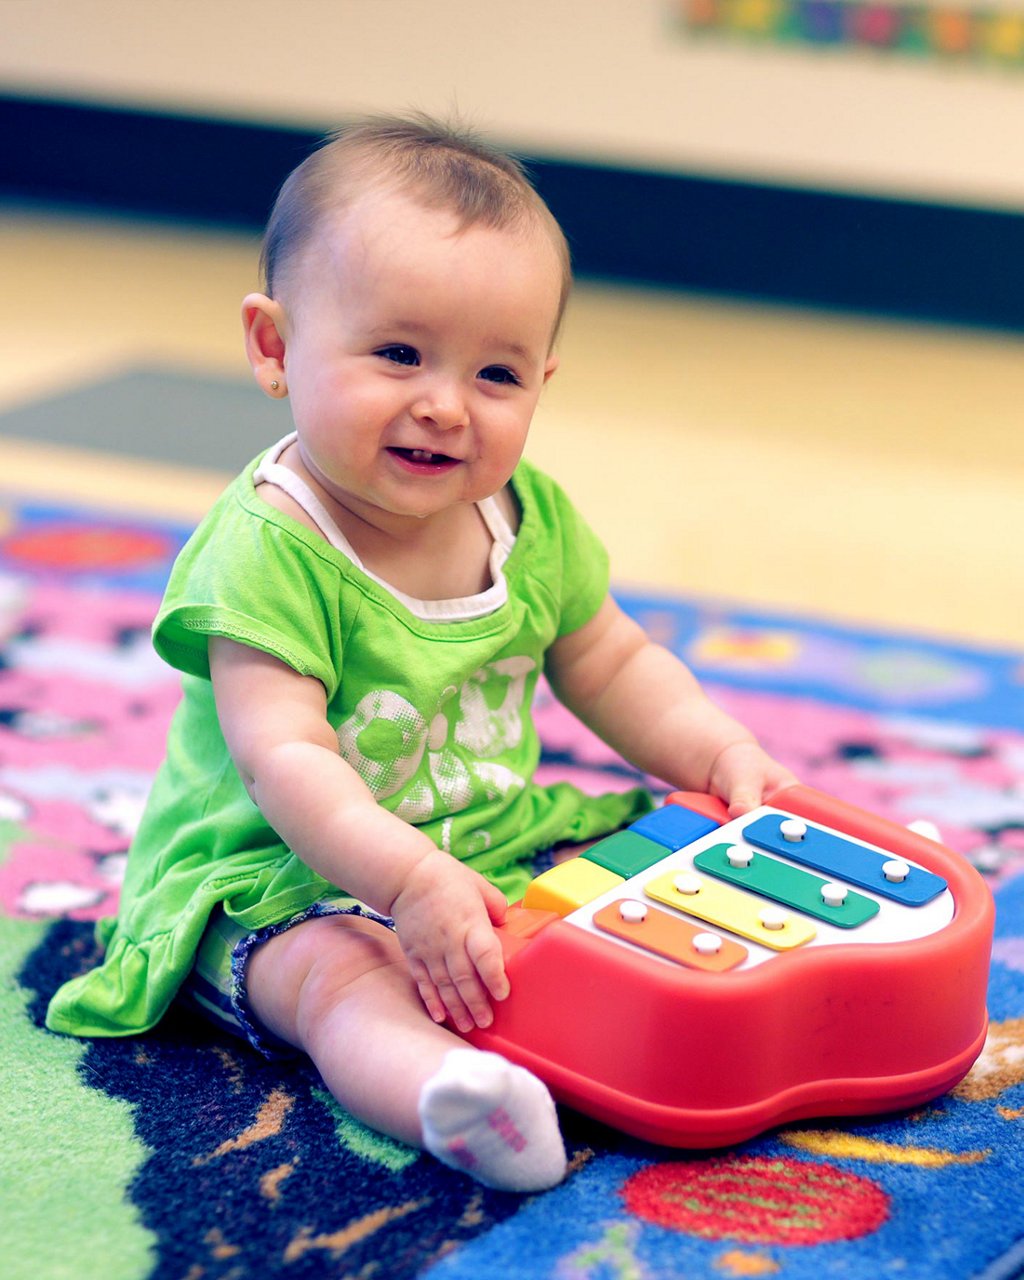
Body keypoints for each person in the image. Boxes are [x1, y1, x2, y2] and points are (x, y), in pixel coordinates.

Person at [47, 114, 796, 1192]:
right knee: (339, 980)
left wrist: (718, 754)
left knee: (654, 862)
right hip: (276, 877)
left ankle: (678, 1020)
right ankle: (448, 1094)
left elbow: (613, 662)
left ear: (544, 377)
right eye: (397, 353)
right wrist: (405, 881)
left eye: (496, 374)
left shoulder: (525, 518)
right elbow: (287, 760)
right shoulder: (271, 547)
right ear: (274, 347)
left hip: (482, 843)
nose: (444, 404)